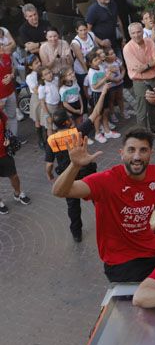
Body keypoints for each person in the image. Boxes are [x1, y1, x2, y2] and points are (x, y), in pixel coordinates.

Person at [50, 130, 155, 282]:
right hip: (122, 262)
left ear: (151, 153)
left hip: (154, 248)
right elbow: (59, 191)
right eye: (131, 150)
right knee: (145, 300)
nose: (137, 157)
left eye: (143, 150)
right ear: (121, 153)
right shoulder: (105, 181)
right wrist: (74, 166)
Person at [44, 86, 109, 239]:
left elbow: (49, 165)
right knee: (97, 198)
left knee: (73, 206)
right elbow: (95, 114)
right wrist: (103, 93)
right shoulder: (77, 131)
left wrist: (50, 176)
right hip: (86, 171)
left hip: (68, 176)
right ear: (68, 122)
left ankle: (77, 234)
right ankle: (107, 223)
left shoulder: (51, 140)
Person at [122, 22, 155, 135]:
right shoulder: (127, 49)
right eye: (133, 33)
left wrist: (146, 66)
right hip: (140, 81)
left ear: (143, 31)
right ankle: (143, 134)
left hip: (154, 78)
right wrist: (152, 64)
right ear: (129, 34)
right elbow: (138, 69)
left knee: (154, 106)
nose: (136, 35)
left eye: (139, 31)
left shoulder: (149, 41)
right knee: (142, 109)